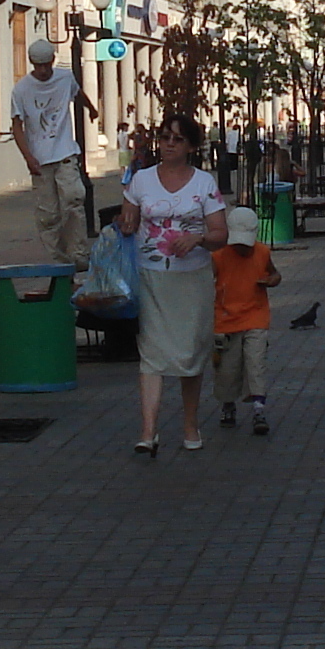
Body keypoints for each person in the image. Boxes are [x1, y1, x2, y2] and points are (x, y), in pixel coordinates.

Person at [123, 110, 222, 455]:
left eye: (177, 139)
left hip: (191, 278)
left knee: (190, 353)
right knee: (151, 352)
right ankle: (148, 432)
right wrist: (125, 223)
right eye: (164, 137)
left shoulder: (204, 183)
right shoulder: (141, 180)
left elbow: (220, 233)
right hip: (151, 276)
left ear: (191, 146)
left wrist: (198, 240)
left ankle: (190, 424)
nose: (168, 144)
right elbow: (128, 218)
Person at [11, 37, 96, 270]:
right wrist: (28, 157)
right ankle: (61, 262)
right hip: (40, 160)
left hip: (65, 153)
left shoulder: (64, 77)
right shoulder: (21, 90)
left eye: (47, 65)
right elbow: (17, 125)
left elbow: (77, 93)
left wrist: (92, 109)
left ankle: (79, 254)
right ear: (31, 63)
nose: (43, 70)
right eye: (38, 66)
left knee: (73, 198)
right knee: (48, 216)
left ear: (53, 60)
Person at [211, 204, 281, 434]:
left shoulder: (262, 252)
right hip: (226, 320)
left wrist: (272, 280)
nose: (243, 249)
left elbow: (274, 273)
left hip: (256, 316)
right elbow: (206, 283)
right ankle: (228, 404)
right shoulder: (219, 256)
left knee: (256, 363)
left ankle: (259, 408)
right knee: (227, 369)